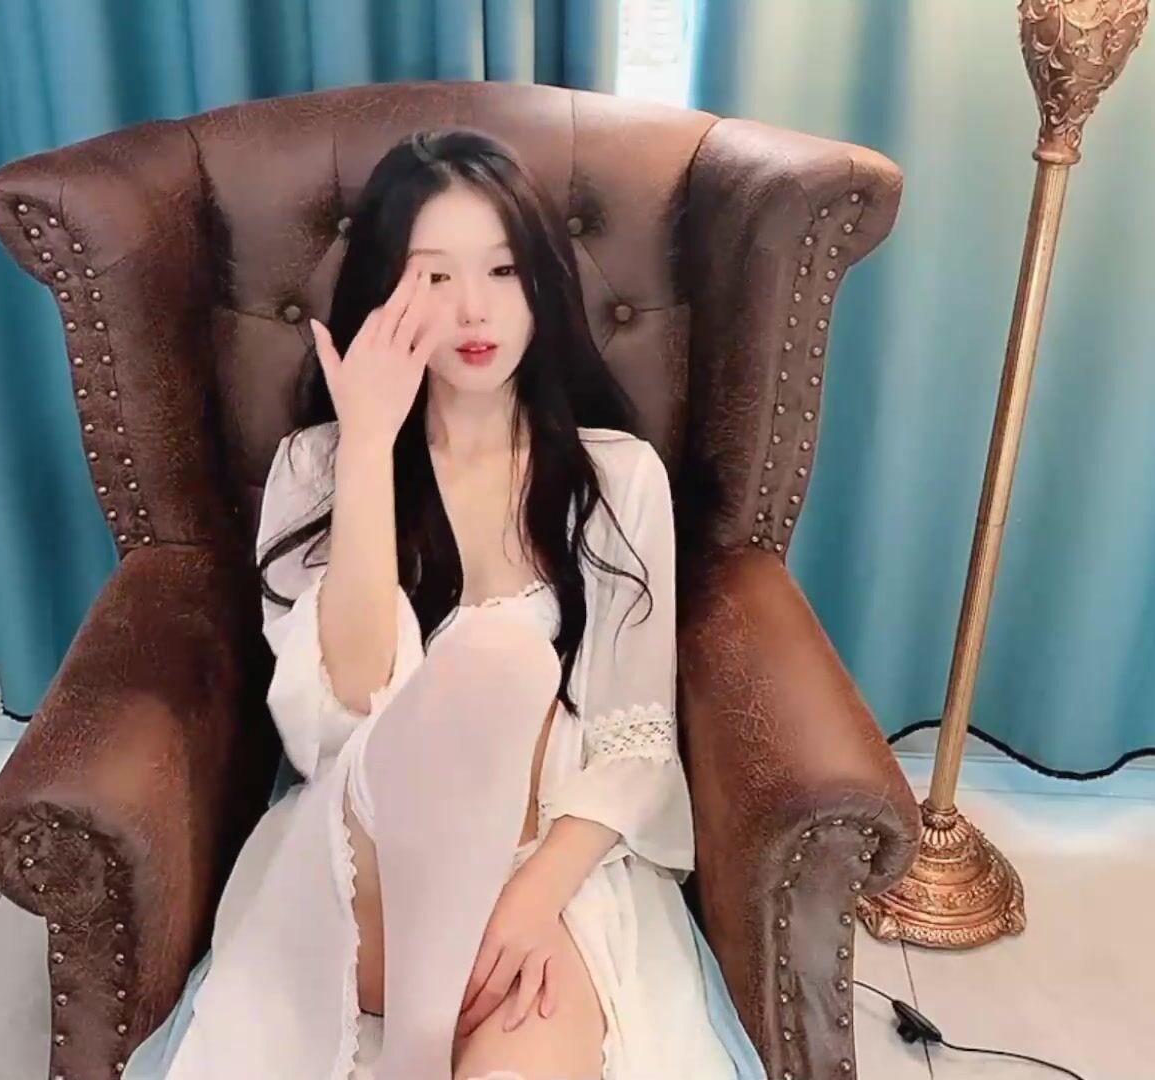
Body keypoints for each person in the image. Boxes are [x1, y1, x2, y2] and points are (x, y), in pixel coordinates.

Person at [148, 129, 737, 1080]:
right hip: (368, 876)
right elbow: (341, 706)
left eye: (503, 270)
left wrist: (534, 899)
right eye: (433, 275)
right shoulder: (317, 468)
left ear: (542, 284)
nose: (473, 308)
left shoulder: (618, 479)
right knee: (497, 660)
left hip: (541, 865)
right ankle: (418, 1052)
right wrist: (368, 445)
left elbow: (635, 739)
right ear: (385, 290)